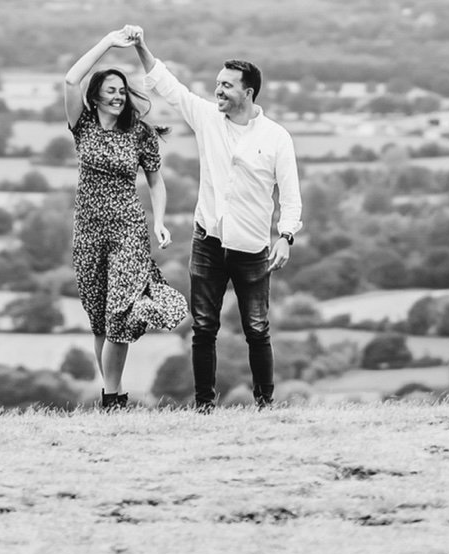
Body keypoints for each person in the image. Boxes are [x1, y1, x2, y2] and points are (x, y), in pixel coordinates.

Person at [120, 25, 301, 410]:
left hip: (252, 248)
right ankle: (204, 407)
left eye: (226, 86)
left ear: (247, 92)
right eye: (218, 84)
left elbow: (291, 196)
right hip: (208, 242)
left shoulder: (276, 138)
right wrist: (141, 47)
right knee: (204, 328)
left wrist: (285, 236)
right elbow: (169, 86)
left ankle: (265, 404)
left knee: (256, 329)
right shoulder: (206, 119)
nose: (218, 91)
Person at [59, 31, 170, 409]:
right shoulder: (82, 125)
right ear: (96, 96)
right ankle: (113, 394)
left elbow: (156, 180)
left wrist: (159, 222)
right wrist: (109, 42)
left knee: (119, 313)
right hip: (88, 232)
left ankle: (111, 398)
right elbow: (71, 79)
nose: (118, 95)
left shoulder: (139, 134)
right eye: (111, 89)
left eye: (122, 90)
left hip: (128, 231)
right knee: (100, 321)